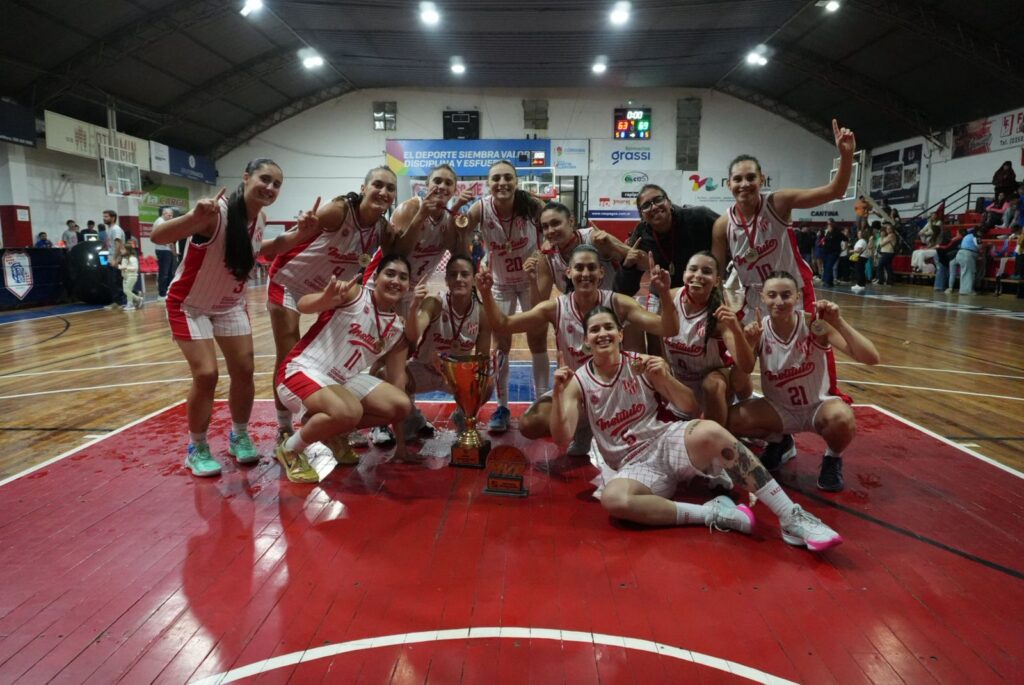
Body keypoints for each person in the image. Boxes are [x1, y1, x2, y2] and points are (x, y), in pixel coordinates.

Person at [549, 305, 844, 551]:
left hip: (667, 441)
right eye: (595, 330)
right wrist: (559, 396)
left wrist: (664, 378)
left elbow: (689, 407)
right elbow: (562, 437)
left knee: (712, 431)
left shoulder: (643, 363)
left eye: (608, 327)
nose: (602, 334)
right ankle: (712, 513)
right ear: (586, 340)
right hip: (633, 466)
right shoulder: (578, 382)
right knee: (615, 500)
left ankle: (791, 516)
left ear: (620, 334)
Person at [151, 157, 314, 479]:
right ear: (246, 176)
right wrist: (192, 217)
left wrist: (301, 234)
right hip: (189, 304)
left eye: (277, 184)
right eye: (264, 179)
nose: (270, 187)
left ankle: (239, 434)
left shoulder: (260, 219)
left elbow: (265, 249)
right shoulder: (215, 213)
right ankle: (197, 447)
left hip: (229, 304)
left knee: (244, 370)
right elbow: (158, 236)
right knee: (207, 374)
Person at [477, 244, 678, 455]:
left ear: (601, 272)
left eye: (591, 268)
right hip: (578, 393)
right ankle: (584, 428)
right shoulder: (555, 308)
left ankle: (616, 426)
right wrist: (486, 293)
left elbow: (668, 328)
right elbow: (503, 325)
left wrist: (664, 293)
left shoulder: (619, 303)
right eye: (579, 268)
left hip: (614, 392)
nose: (585, 273)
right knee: (529, 424)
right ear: (569, 272)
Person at [266, 166, 400, 451]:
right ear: (363, 188)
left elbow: (397, 258)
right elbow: (292, 239)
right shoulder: (338, 211)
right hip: (290, 282)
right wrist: (296, 228)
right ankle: (284, 427)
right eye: (378, 184)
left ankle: (332, 420)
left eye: (390, 188)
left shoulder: (382, 230)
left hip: (332, 291)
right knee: (288, 351)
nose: (383, 191)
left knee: (335, 352)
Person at [727, 271, 880, 492]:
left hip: (818, 406)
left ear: (797, 296)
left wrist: (839, 322)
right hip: (779, 409)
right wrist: (748, 343)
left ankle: (832, 458)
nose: (779, 301)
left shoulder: (814, 324)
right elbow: (738, 380)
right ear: (762, 297)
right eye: (772, 295)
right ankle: (780, 441)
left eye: (786, 295)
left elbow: (871, 358)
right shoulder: (758, 329)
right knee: (731, 420)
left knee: (842, 418)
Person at [274, 255, 414, 481]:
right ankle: (290, 448)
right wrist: (324, 299)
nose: (396, 281)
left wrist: (401, 445)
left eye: (403, 277)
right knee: (350, 411)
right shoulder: (353, 293)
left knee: (400, 405)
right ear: (375, 277)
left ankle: (332, 431)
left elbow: (398, 381)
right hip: (300, 371)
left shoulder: (397, 330)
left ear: (408, 286)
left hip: (341, 382)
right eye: (390, 274)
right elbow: (303, 304)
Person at [711, 119, 855, 322]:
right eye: (737, 179)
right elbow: (716, 275)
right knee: (738, 342)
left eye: (751, 178)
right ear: (728, 184)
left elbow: (835, 191)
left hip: (792, 292)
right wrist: (718, 305)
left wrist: (846, 156)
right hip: (755, 298)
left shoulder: (778, 203)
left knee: (805, 342)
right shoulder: (722, 225)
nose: (744, 184)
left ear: (762, 180)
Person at [461, 159, 549, 432]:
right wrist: (473, 262)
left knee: (538, 340)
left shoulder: (532, 205)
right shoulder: (481, 208)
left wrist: (542, 252)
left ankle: (542, 404)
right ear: (488, 183)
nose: (502, 183)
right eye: (496, 178)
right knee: (500, 345)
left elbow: (553, 230)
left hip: (530, 281)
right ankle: (502, 407)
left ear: (516, 181)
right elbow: (460, 232)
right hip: (499, 283)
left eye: (507, 177)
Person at [392, 254, 491, 461]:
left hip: (456, 375)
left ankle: (464, 415)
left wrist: (474, 379)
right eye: (453, 275)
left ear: (473, 279)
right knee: (390, 376)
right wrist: (414, 307)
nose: (459, 279)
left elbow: (481, 359)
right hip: (424, 369)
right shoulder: (435, 302)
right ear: (446, 280)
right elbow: (414, 333)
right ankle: (412, 417)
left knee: (487, 383)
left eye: (464, 274)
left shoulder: (481, 313)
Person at [663, 251, 755, 425]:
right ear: (684, 274)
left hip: (715, 385)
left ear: (717, 281)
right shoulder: (671, 297)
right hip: (681, 385)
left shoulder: (720, 314)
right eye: (693, 269)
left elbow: (747, 366)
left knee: (712, 384)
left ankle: (719, 433)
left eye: (706, 271)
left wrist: (736, 330)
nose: (698, 275)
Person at [387, 163, 475, 311]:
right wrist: (421, 216)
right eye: (437, 181)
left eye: (448, 183)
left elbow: (461, 258)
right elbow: (396, 255)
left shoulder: (449, 218)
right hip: (387, 284)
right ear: (427, 184)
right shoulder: (410, 208)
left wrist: (458, 214)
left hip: (413, 290)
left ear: (454, 190)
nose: (442, 186)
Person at [528, 201, 626, 299]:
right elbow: (539, 304)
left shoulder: (593, 239)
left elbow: (632, 258)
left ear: (571, 221)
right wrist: (532, 281)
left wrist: (614, 246)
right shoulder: (547, 257)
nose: (550, 231)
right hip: (577, 308)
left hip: (611, 306)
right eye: (545, 227)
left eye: (556, 223)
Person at [946, 227, 980, 295]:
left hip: (957, 256)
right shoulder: (975, 236)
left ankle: (951, 288)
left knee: (960, 273)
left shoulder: (966, 237)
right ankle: (967, 290)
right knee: (968, 273)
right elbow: (979, 246)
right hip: (966, 255)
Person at [102, 210, 127, 307]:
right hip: (111, 258)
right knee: (112, 282)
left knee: (115, 281)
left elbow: (118, 245)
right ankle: (118, 301)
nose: (104, 218)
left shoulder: (116, 229)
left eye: (106, 216)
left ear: (113, 218)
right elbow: (110, 244)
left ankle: (119, 302)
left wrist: (115, 259)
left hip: (116, 259)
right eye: (104, 216)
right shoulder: (110, 229)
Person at [152, 207, 177, 300]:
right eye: (169, 215)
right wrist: (169, 245)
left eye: (172, 216)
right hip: (162, 250)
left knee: (169, 273)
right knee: (164, 273)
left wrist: (173, 250)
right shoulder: (160, 222)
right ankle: (161, 294)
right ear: (163, 214)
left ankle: (167, 292)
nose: (171, 217)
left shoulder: (165, 223)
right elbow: (160, 237)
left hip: (167, 250)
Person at [117, 241, 145, 310]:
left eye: (123, 249)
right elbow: (123, 266)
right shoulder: (124, 258)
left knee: (127, 290)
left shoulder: (132, 258)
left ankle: (131, 304)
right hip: (125, 277)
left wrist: (125, 267)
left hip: (132, 276)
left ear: (127, 250)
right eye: (121, 249)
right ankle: (137, 300)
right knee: (126, 291)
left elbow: (135, 268)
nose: (121, 250)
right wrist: (121, 267)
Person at [849, 228, 869, 293]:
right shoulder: (862, 241)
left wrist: (851, 251)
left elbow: (859, 250)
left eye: (860, 233)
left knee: (859, 270)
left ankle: (860, 284)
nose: (859, 234)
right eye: (858, 233)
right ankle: (862, 284)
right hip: (862, 257)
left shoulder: (861, 241)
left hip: (861, 257)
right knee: (860, 270)